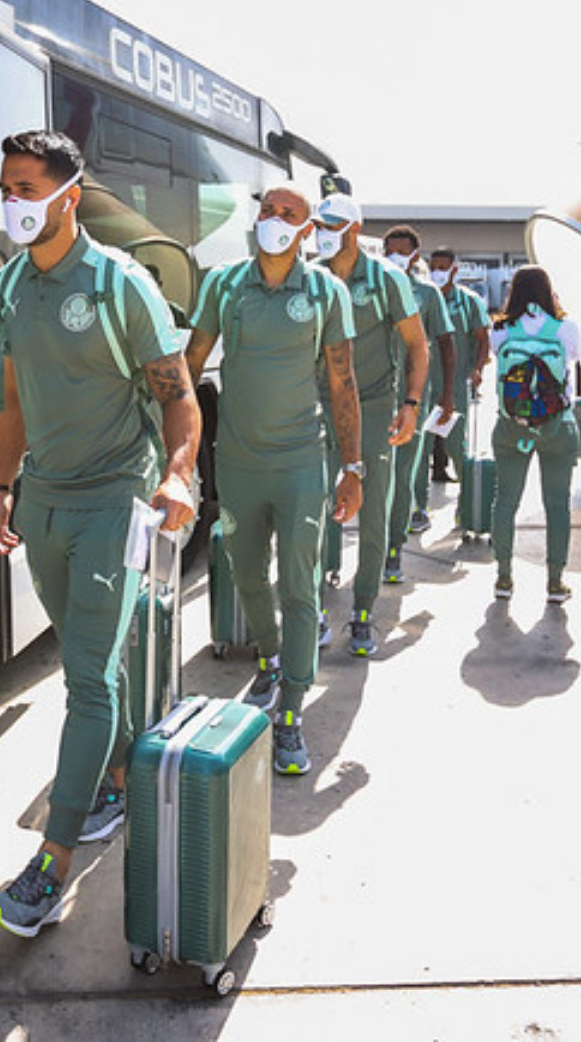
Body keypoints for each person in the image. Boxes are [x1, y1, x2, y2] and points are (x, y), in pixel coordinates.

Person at [0, 130, 199, 937]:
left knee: (87, 680)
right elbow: (15, 401)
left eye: (28, 188)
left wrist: (175, 472)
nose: (14, 203)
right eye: (7, 187)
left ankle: (52, 865)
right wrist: (2, 487)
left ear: (70, 196)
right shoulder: (9, 287)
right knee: (87, 660)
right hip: (42, 501)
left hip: (114, 500)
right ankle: (113, 782)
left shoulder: (119, 285)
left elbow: (180, 399)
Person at [183, 183, 363, 776]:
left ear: (308, 231)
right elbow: (188, 365)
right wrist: (178, 453)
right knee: (245, 572)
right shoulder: (223, 285)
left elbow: (341, 382)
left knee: (298, 581)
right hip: (236, 461)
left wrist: (352, 466)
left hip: (300, 463)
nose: (276, 220)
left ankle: (290, 712)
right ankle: (268, 656)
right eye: (268, 211)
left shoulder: (324, 291)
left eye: (290, 214)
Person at [311, 194, 428, 656]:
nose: (324, 231)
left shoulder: (386, 279)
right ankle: (316, 606)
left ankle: (363, 611)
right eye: (320, 223)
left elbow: (417, 346)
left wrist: (411, 405)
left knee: (374, 508)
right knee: (316, 506)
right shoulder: (312, 277)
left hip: (377, 406)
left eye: (333, 223)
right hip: (320, 404)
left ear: (355, 230)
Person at [487, 265, 581, 603]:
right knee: (558, 505)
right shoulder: (565, 328)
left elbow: (495, 359)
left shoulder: (500, 330)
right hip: (558, 426)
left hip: (511, 425)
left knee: (505, 501)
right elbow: (577, 358)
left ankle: (503, 578)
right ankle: (555, 582)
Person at [379, 226, 455, 578]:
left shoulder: (426, 294)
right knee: (372, 479)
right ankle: (371, 551)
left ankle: (393, 550)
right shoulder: (370, 290)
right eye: (389, 249)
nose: (396, 255)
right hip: (373, 398)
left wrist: (447, 392)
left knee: (403, 477)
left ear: (414, 255)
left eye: (402, 251)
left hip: (411, 400)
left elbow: (444, 343)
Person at [429, 248, 493, 513]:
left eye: (443, 267)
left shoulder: (469, 301)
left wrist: (478, 369)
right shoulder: (422, 297)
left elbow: (482, 339)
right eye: (433, 266)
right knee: (418, 453)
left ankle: (466, 507)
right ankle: (417, 509)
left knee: (457, 447)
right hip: (423, 385)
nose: (437, 272)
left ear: (454, 270)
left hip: (455, 386)